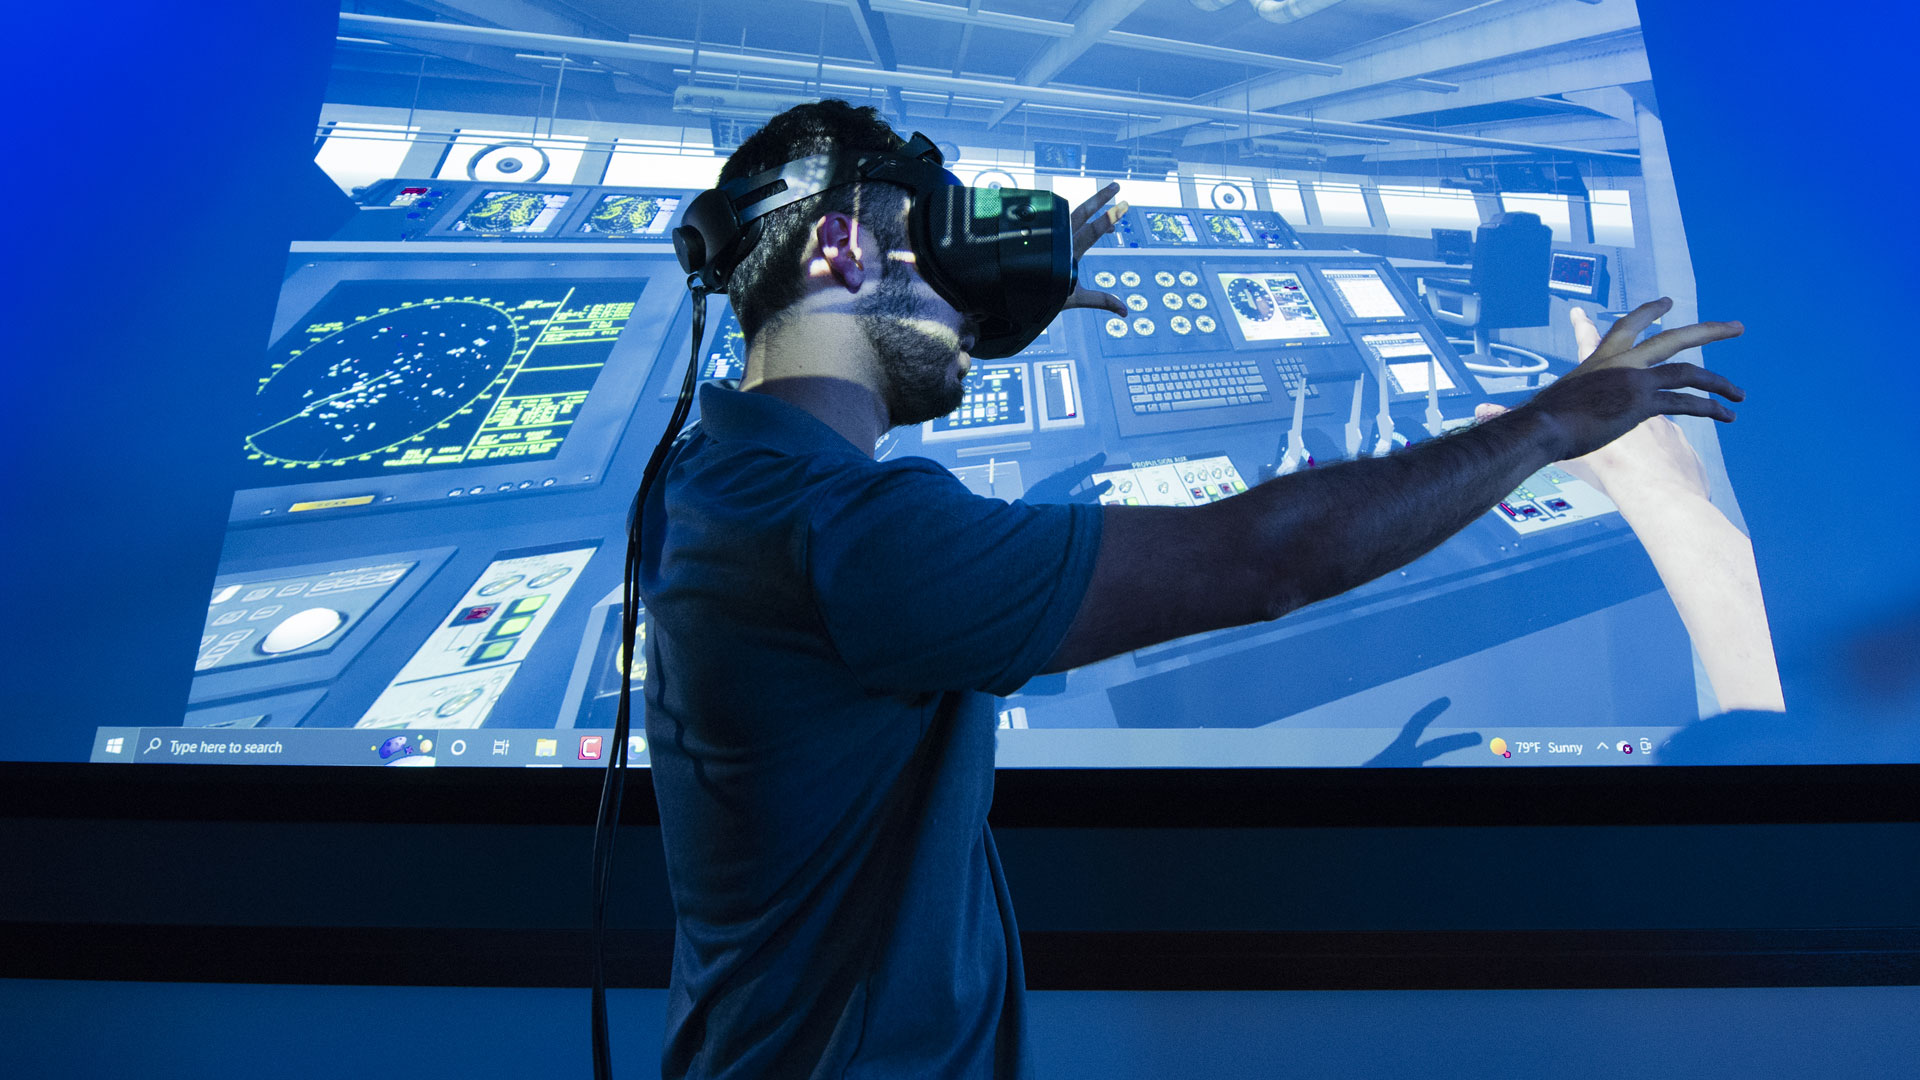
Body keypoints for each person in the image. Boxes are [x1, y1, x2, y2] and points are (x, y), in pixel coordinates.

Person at [637, 100, 1745, 1079]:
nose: (967, 300)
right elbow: (1267, 560)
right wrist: (1552, 423)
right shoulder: (852, 538)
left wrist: (971, 309)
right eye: (939, 255)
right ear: (839, 245)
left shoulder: (721, 476)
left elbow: (876, 349)